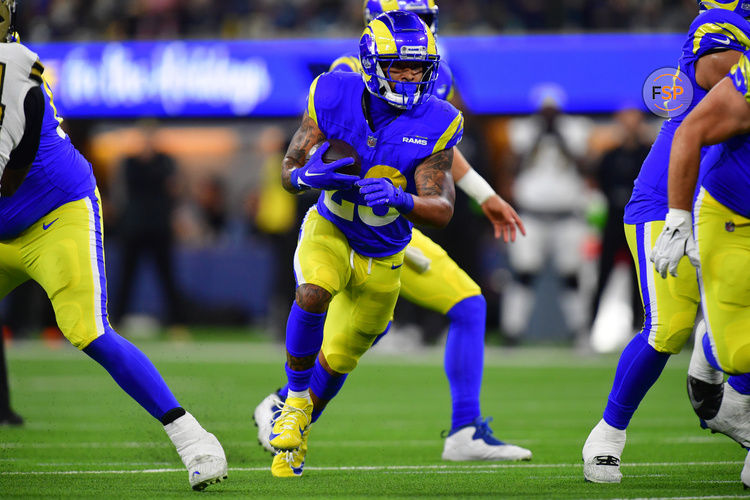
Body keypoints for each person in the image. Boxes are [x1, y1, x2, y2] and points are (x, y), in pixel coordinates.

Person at [255, 0, 530, 465]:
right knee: (319, 297)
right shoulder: (343, 82)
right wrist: (310, 176)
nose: (418, 33)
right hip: (343, 218)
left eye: (425, 22)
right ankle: (288, 402)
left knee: (456, 306)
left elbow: (436, 150)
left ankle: (464, 428)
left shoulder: (431, 86)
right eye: (409, 20)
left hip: (393, 226)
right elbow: (306, 157)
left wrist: (483, 195)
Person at [0, 1, 226, 490]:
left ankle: (193, 437)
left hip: (52, 213)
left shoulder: (12, 68)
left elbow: (10, 170)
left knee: (87, 330)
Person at [582, 1, 750, 484]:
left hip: (734, 199)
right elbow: (715, 68)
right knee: (669, 328)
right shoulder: (718, 27)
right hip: (672, 197)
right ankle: (609, 432)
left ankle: (733, 394)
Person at [651, 45, 750, 488]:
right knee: (740, 355)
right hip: (735, 217)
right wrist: (677, 216)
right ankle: (710, 345)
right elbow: (690, 131)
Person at [503, 94, 592, 345]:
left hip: (568, 216)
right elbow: (512, 166)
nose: (549, 116)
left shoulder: (575, 130)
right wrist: (534, 141)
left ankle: (579, 332)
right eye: (545, 111)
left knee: (572, 275)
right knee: (523, 273)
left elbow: (586, 167)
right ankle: (513, 333)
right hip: (531, 214)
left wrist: (563, 141)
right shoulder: (523, 131)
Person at [111, 124, 185, 329]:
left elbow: (174, 188)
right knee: (126, 276)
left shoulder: (166, 161)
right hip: (134, 227)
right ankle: (117, 319)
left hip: (159, 227)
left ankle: (176, 321)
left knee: (167, 277)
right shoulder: (130, 162)